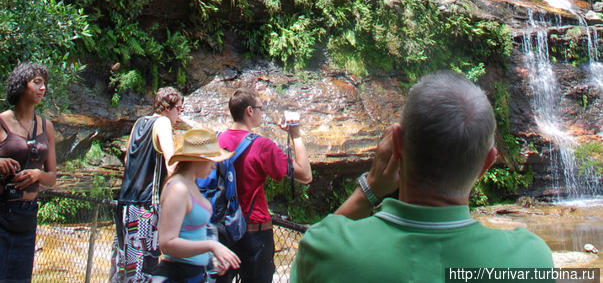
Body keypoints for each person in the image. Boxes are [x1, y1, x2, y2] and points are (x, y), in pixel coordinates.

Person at [291, 70, 554, 283]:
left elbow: (319, 242)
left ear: (396, 145)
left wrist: (369, 188)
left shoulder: (325, 249)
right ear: (487, 163)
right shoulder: (531, 259)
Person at [218, 89, 312, 283]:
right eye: (261, 108)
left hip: (221, 233)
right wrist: (295, 134)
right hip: (255, 232)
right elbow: (305, 175)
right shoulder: (261, 146)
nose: (262, 112)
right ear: (250, 111)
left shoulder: (216, 140)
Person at [114, 86, 184, 283]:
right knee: (145, 269)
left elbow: (128, 159)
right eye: (179, 109)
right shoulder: (162, 123)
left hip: (125, 205)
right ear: (166, 107)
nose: (179, 114)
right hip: (146, 208)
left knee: (125, 267)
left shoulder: (139, 122)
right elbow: (171, 164)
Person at [153, 127, 241, 283]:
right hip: (176, 275)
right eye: (211, 160)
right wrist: (211, 246)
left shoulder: (191, 185)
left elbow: (191, 234)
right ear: (198, 159)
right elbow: (167, 243)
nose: (214, 166)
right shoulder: (178, 188)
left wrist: (210, 258)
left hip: (192, 274)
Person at [0, 62, 57, 283]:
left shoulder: (46, 126)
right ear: (21, 85)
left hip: (27, 217)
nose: (43, 88)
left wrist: (38, 175)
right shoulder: (2, 121)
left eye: (45, 84)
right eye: (37, 82)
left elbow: (52, 177)